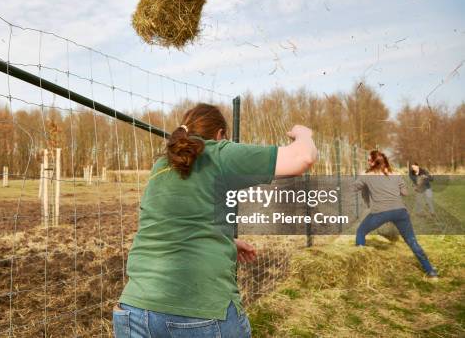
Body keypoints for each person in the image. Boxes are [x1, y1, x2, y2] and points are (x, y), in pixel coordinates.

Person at [113, 103, 317, 338]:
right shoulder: (218, 153)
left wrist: (226, 240)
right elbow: (303, 157)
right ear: (220, 135)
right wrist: (304, 134)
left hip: (134, 310)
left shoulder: (161, 166)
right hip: (200, 312)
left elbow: (175, 221)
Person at [354, 150, 438, 278]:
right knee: (412, 241)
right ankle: (430, 270)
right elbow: (404, 193)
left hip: (380, 213)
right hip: (400, 212)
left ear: (372, 162)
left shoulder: (366, 175)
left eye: (368, 159)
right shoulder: (396, 174)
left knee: (360, 231)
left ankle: (359, 269)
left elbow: (354, 188)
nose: (367, 161)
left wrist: (363, 178)